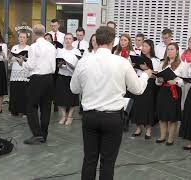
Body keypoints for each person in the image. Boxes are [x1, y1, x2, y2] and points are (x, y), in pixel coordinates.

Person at [70, 26, 152, 180]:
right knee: (108, 163)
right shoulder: (121, 62)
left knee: (89, 160)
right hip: (113, 118)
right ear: (113, 41)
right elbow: (138, 89)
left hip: (90, 117)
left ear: (97, 40)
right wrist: (146, 75)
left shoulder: (84, 61)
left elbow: (74, 89)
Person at [17, 24, 56, 145]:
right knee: (46, 107)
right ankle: (44, 135)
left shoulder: (33, 47)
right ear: (44, 34)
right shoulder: (51, 46)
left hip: (37, 79)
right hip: (49, 78)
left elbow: (31, 65)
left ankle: (37, 134)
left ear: (34, 33)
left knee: (31, 106)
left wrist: (22, 62)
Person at [155, 42, 186, 145]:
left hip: (174, 91)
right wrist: (158, 80)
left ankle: (171, 138)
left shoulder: (182, 64)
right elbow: (157, 80)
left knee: (172, 116)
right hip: (163, 91)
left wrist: (176, 82)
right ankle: (162, 136)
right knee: (162, 114)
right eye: (168, 49)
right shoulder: (162, 63)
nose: (170, 51)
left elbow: (184, 81)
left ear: (177, 51)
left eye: (172, 49)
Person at [131, 39, 160, 139]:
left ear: (151, 47)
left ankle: (148, 129)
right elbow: (134, 72)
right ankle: (138, 128)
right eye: (143, 46)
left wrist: (146, 69)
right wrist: (133, 66)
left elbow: (157, 76)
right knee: (138, 105)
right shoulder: (139, 58)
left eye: (146, 46)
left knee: (148, 106)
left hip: (150, 84)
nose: (143, 48)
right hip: (139, 81)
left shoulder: (155, 60)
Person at [55, 33, 81, 125]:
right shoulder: (60, 51)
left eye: (70, 38)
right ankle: (63, 116)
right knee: (60, 97)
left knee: (72, 98)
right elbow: (57, 64)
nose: (68, 40)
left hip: (72, 77)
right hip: (62, 75)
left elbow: (79, 65)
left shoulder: (76, 51)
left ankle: (70, 116)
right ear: (64, 40)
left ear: (72, 40)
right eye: (66, 38)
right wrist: (60, 64)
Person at [8, 30, 30, 116]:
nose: (22, 39)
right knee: (15, 92)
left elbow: (31, 61)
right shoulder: (14, 47)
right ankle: (14, 110)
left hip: (24, 73)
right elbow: (10, 60)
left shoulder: (29, 48)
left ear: (27, 39)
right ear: (18, 38)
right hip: (15, 73)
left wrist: (23, 60)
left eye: (24, 37)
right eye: (20, 37)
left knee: (24, 93)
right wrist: (10, 57)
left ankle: (24, 111)